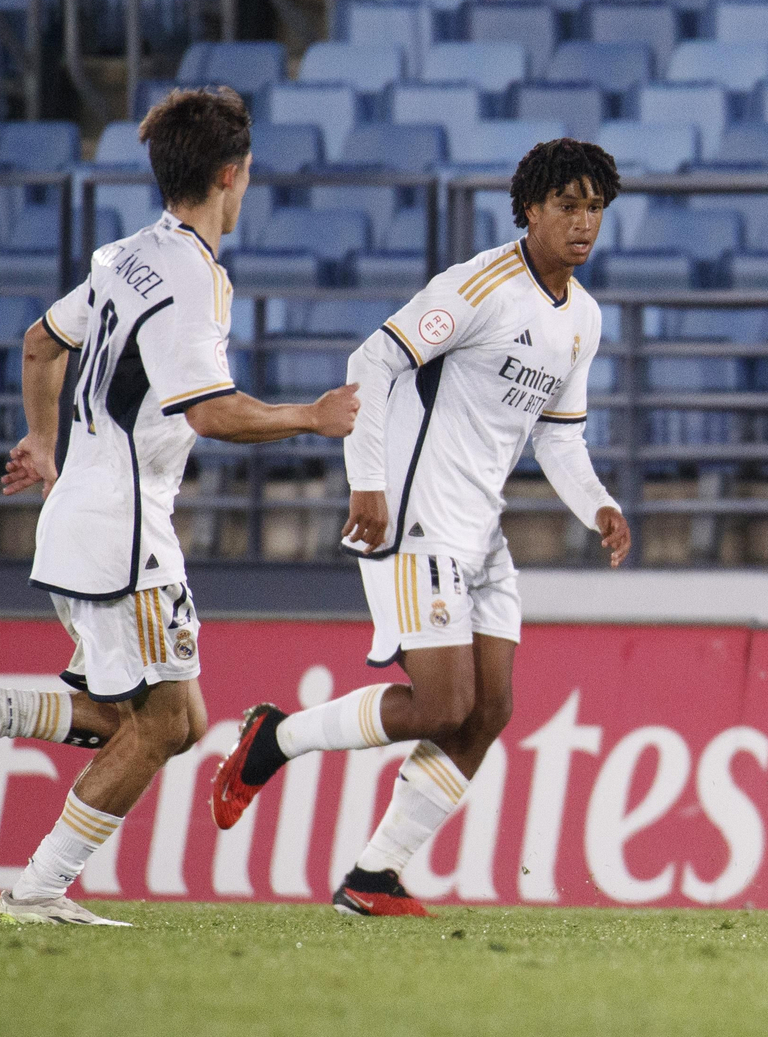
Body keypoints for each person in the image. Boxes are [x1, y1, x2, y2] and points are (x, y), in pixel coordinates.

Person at [0, 87, 360, 925]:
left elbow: (41, 342)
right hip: (126, 531)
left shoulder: (122, 256)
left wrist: (43, 443)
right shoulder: (196, 277)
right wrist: (310, 415)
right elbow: (211, 409)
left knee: (174, 719)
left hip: (83, 514)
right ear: (233, 175)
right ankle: (37, 891)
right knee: (156, 728)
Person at [209, 138, 631, 918]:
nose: (583, 223)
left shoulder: (585, 319)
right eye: (568, 206)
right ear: (531, 209)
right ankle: (276, 738)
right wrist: (364, 483)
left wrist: (597, 504)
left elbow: (559, 437)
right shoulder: (479, 285)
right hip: (415, 518)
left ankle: (373, 877)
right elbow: (372, 361)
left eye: (595, 208)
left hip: (483, 532)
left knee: (490, 710)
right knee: (442, 706)